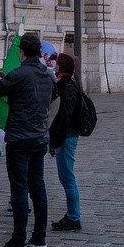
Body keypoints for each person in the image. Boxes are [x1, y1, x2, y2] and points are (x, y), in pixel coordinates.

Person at [0, 32, 54, 247]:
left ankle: (18, 240)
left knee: (19, 189)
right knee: (38, 186)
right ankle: (39, 237)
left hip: (20, 138)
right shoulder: (47, 73)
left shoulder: (20, 73)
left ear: (21, 52)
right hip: (40, 137)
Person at [49, 53, 83, 233]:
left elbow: (64, 117)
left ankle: (74, 217)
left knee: (68, 177)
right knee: (65, 177)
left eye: (57, 64)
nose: (54, 66)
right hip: (66, 136)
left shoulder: (67, 87)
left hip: (66, 137)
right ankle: (72, 214)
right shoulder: (66, 85)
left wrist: (54, 141)